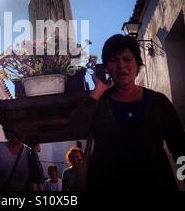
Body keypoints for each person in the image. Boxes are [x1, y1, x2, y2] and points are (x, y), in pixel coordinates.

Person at [68, 34, 185, 191]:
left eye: (127, 59)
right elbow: (75, 129)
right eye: (114, 60)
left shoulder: (159, 102)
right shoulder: (98, 103)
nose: (121, 65)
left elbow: (179, 148)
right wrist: (98, 90)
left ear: (138, 64)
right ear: (106, 67)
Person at [0, 127, 44, 191]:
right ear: (7, 131)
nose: (15, 132)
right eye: (12, 128)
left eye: (18, 129)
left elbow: (38, 178)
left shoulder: (29, 153)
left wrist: (34, 152)